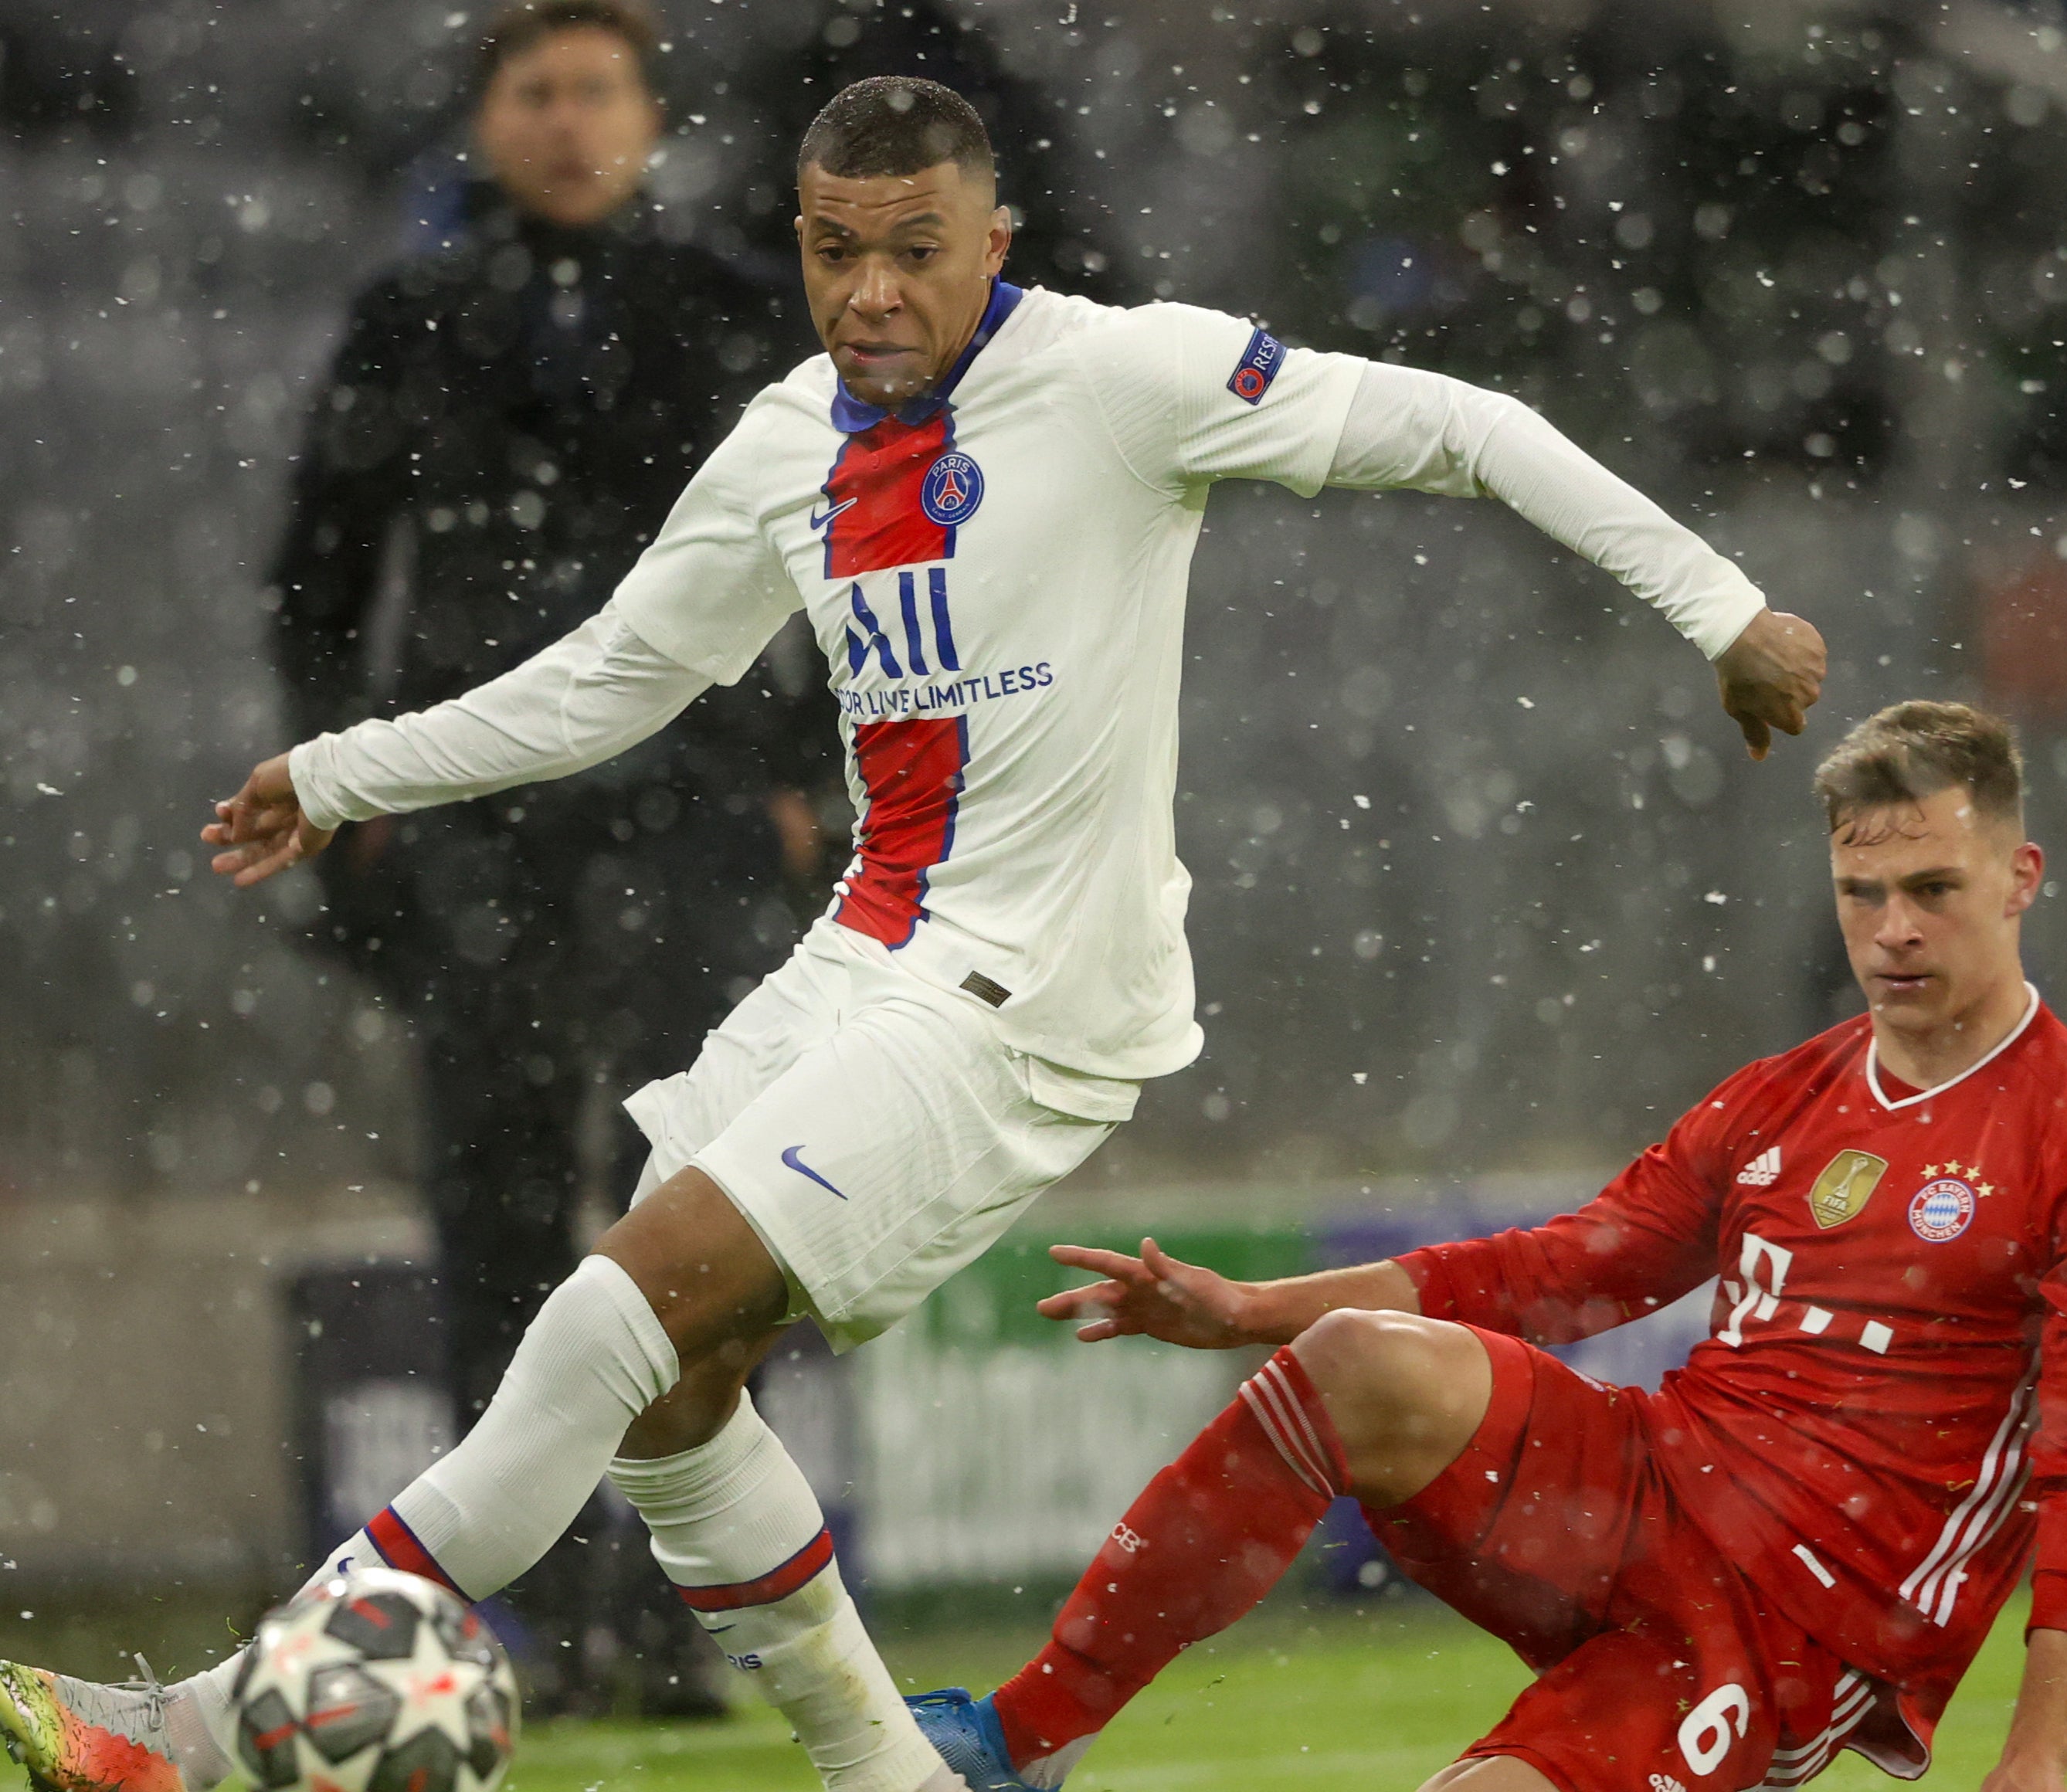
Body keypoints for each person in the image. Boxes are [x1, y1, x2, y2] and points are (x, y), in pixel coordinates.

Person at [0, 75, 1825, 1792]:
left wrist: (1721, 604)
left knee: (606, 1315)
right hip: (862, 960)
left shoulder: (1126, 377)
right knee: (674, 1393)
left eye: (911, 251)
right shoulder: (789, 437)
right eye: (829, 249)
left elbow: (1467, 425)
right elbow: (615, 679)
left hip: (1025, 999)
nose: (866, 292)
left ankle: (215, 1726)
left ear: (993, 239)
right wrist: (344, 769)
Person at [902, 701, 2067, 1792]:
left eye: (1931, 891)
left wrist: (2034, 1761)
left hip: (1797, 1621)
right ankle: (1018, 1742)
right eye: (1862, 893)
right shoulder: (1780, 1098)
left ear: (2020, 880)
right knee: (1357, 1360)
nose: (1893, 929)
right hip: (1649, 1487)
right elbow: (1564, 1270)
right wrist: (1248, 1310)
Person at [271, 0, 836, 1715]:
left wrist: (812, 767)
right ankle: (527, 1617)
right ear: (486, 119)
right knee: (503, 1200)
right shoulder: (411, 314)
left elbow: (843, 544)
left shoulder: (736, 304)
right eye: (537, 91)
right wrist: (345, 775)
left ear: (648, 115)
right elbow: (315, 570)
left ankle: (674, 1608)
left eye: (598, 89)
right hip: (478, 817)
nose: (570, 120)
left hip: (703, 798)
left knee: (707, 1208)